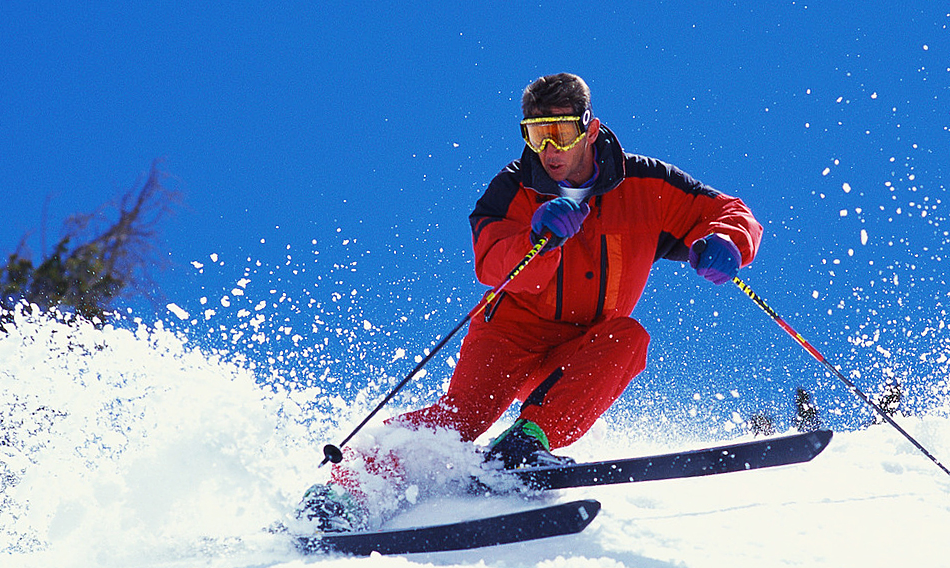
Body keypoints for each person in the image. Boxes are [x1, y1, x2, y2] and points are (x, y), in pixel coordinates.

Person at [298, 73, 763, 531]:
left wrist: (726, 241)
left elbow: (726, 211)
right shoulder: (513, 189)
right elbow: (490, 262)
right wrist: (536, 236)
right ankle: (344, 490)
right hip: (510, 333)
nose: (550, 150)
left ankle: (524, 444)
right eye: (536, 135)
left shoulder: (645, 184)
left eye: (560, 132)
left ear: (590, 128)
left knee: (629, 339)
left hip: (580, 350)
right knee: (461, 418)